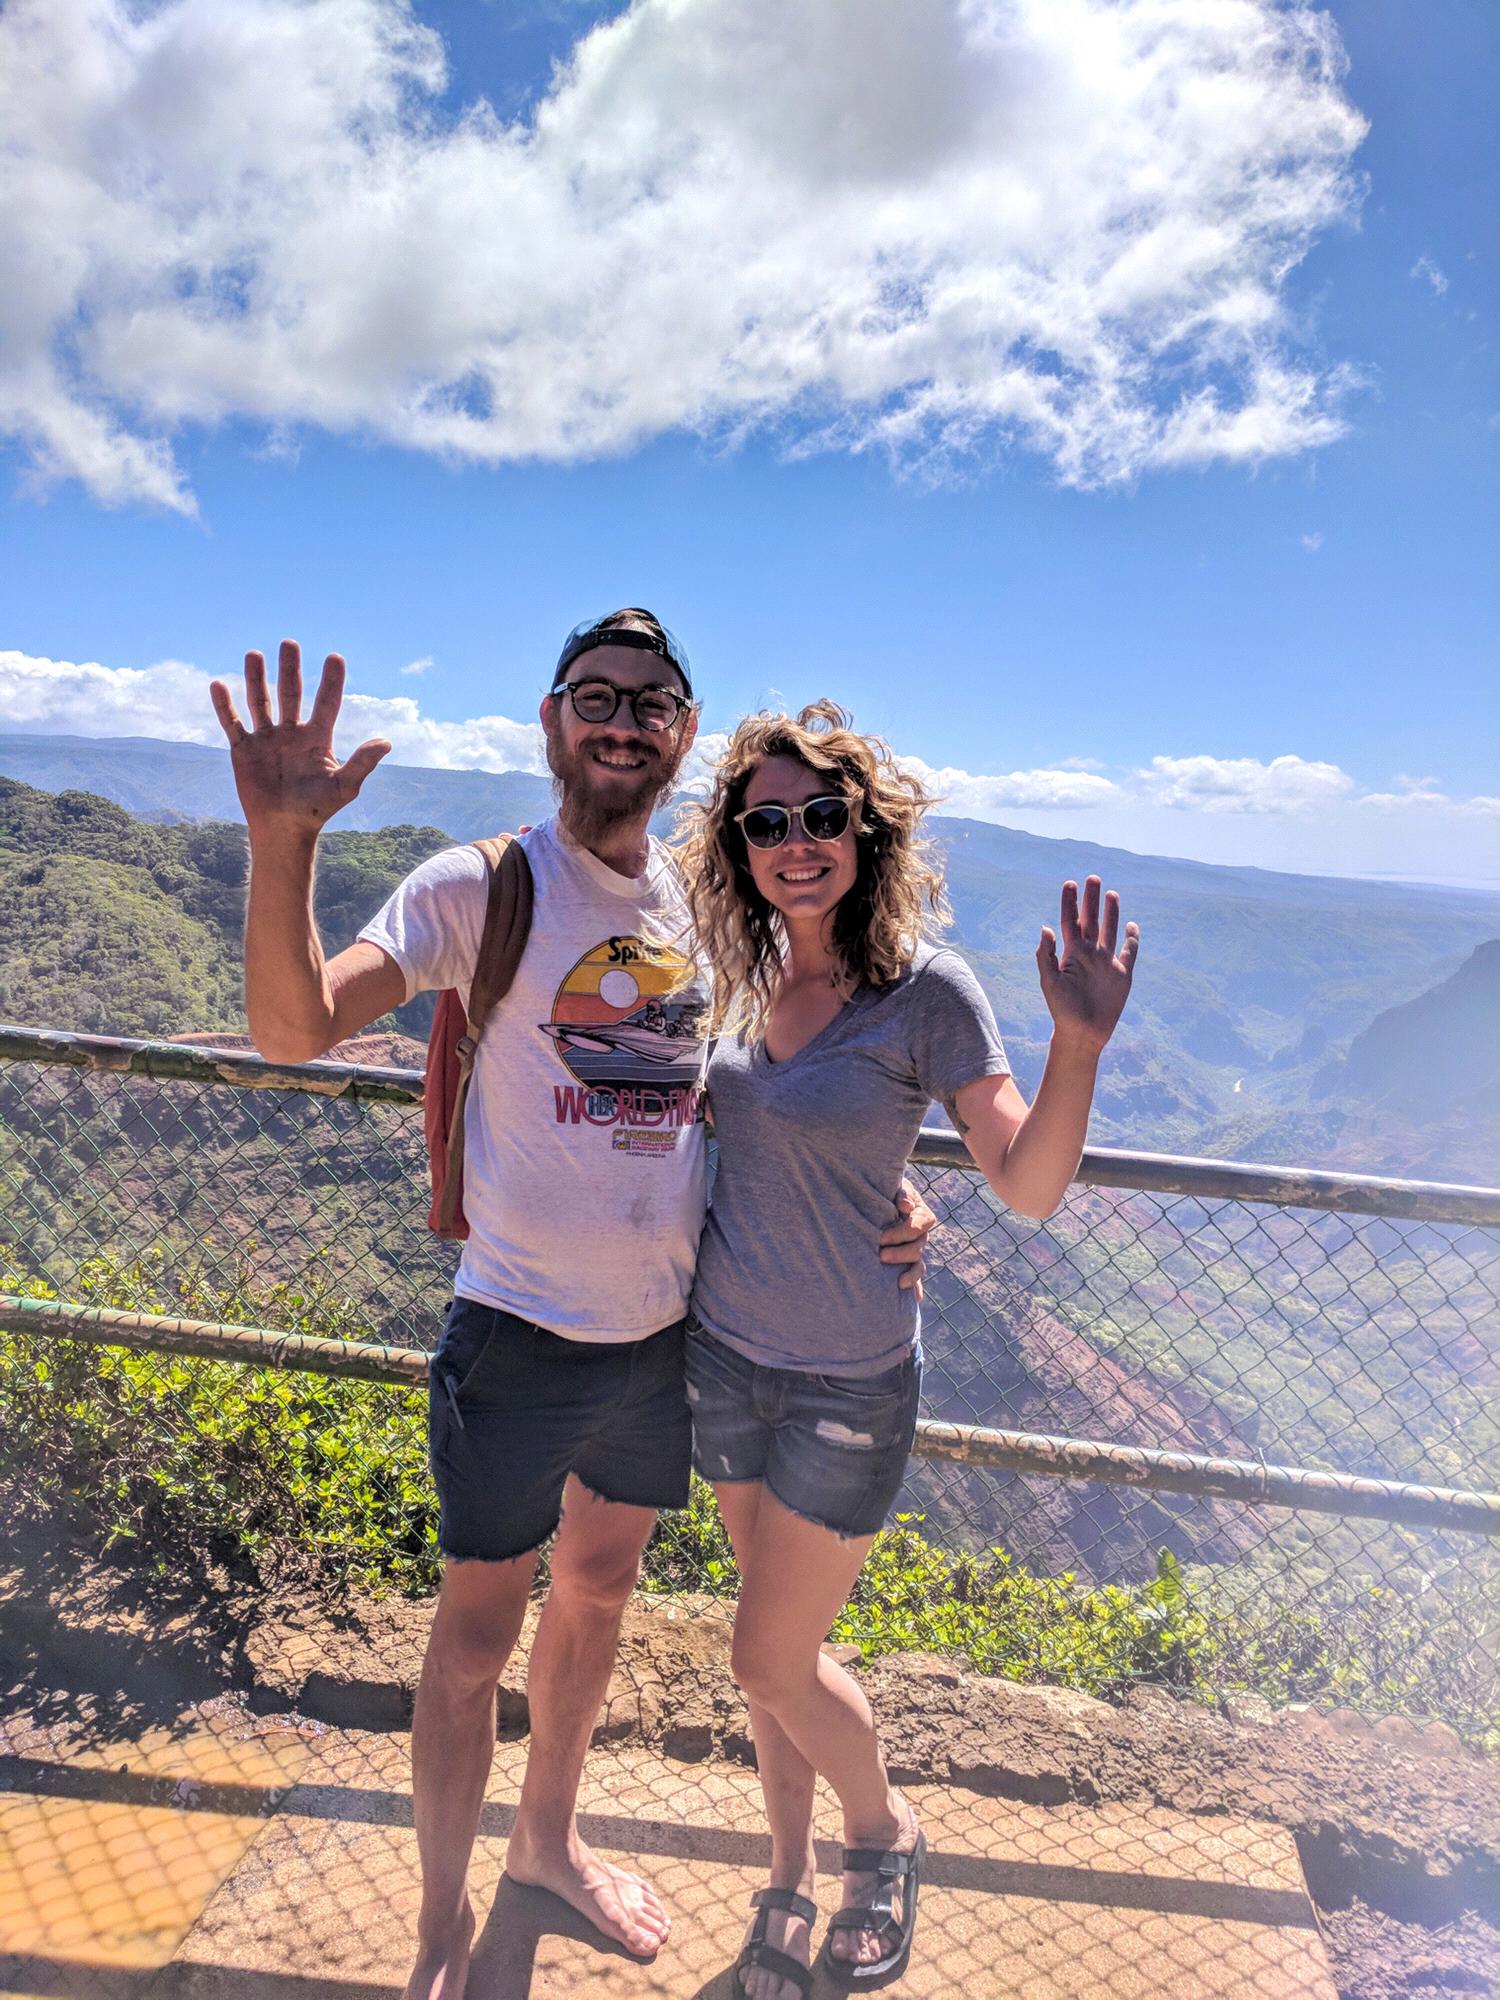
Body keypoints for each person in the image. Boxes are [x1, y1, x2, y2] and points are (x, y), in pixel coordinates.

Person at [209, 616, 933, 2000]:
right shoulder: (479, 888)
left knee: (597, 1600)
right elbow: (295, 1026)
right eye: (595, 697)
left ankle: (545, 1842)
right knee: (475, 1646)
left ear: (682, 732)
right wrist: (282, 836)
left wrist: (892, 1196)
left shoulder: (702, 914)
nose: (622, 720)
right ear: (552, 722)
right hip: (518, 1335)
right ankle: (440, 1924)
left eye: (651, 702)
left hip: (663, 1344)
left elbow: (764, 1096)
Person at [674, 702, 1139, 1999]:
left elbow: (1028, 1181)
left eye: (823, 815)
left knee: (766, 1656)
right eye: (767, 822)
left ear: (866, 832)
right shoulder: (742, 972)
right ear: (740, 846)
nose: (797, 841)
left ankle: (881, 1837)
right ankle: (785, 1880)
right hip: (726, 1361)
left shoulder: (928, 993)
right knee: (781, 1662)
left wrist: (1079, 1050)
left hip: (847, 1383)